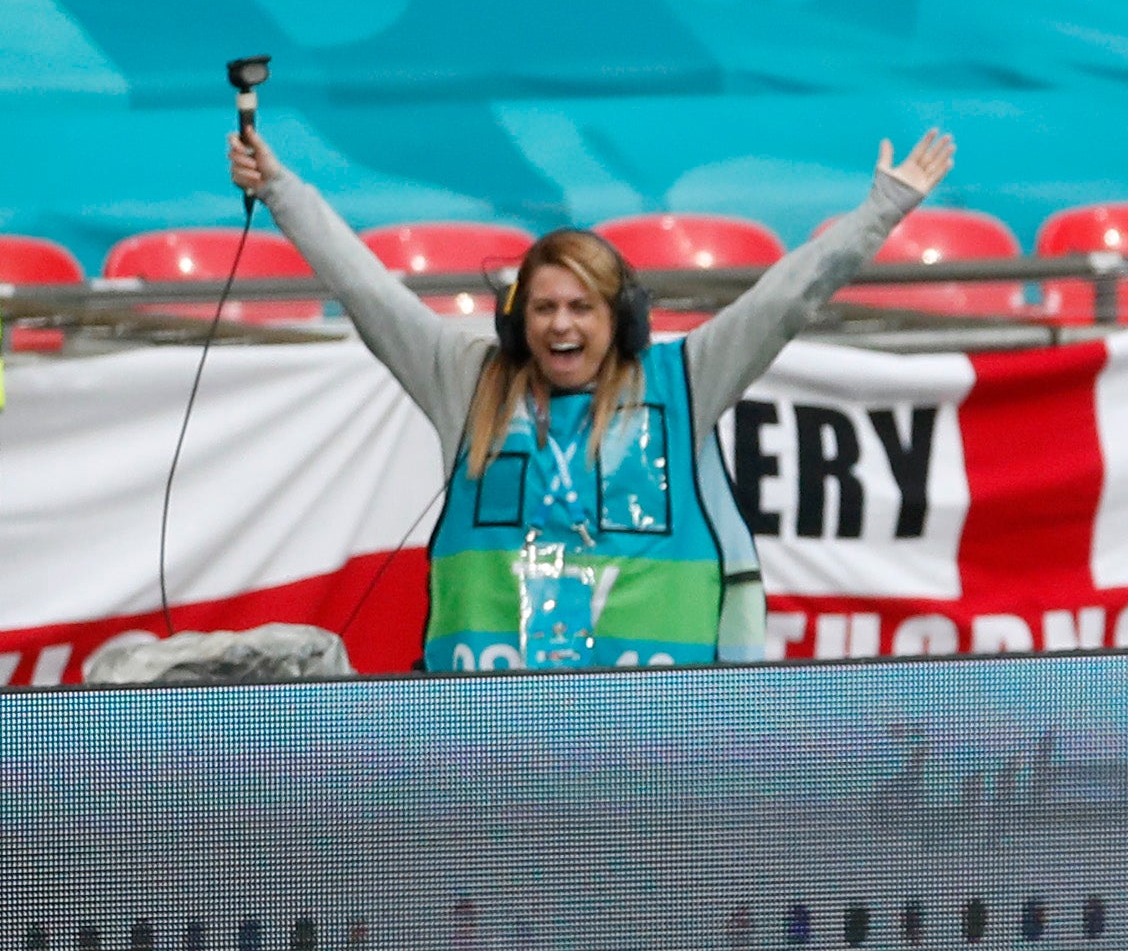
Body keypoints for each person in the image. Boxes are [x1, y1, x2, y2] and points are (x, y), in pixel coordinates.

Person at [232, 125, 956, 669]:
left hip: (656, 753)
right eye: (544, 307)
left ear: (621, 320)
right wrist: (281, 190)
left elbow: (787, 299)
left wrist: (880, 212)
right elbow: (366, 289)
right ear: (518, 320)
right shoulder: (466, 379)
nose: (561, 325)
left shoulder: (688, 378)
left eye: (582, 307)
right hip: (482, 744)